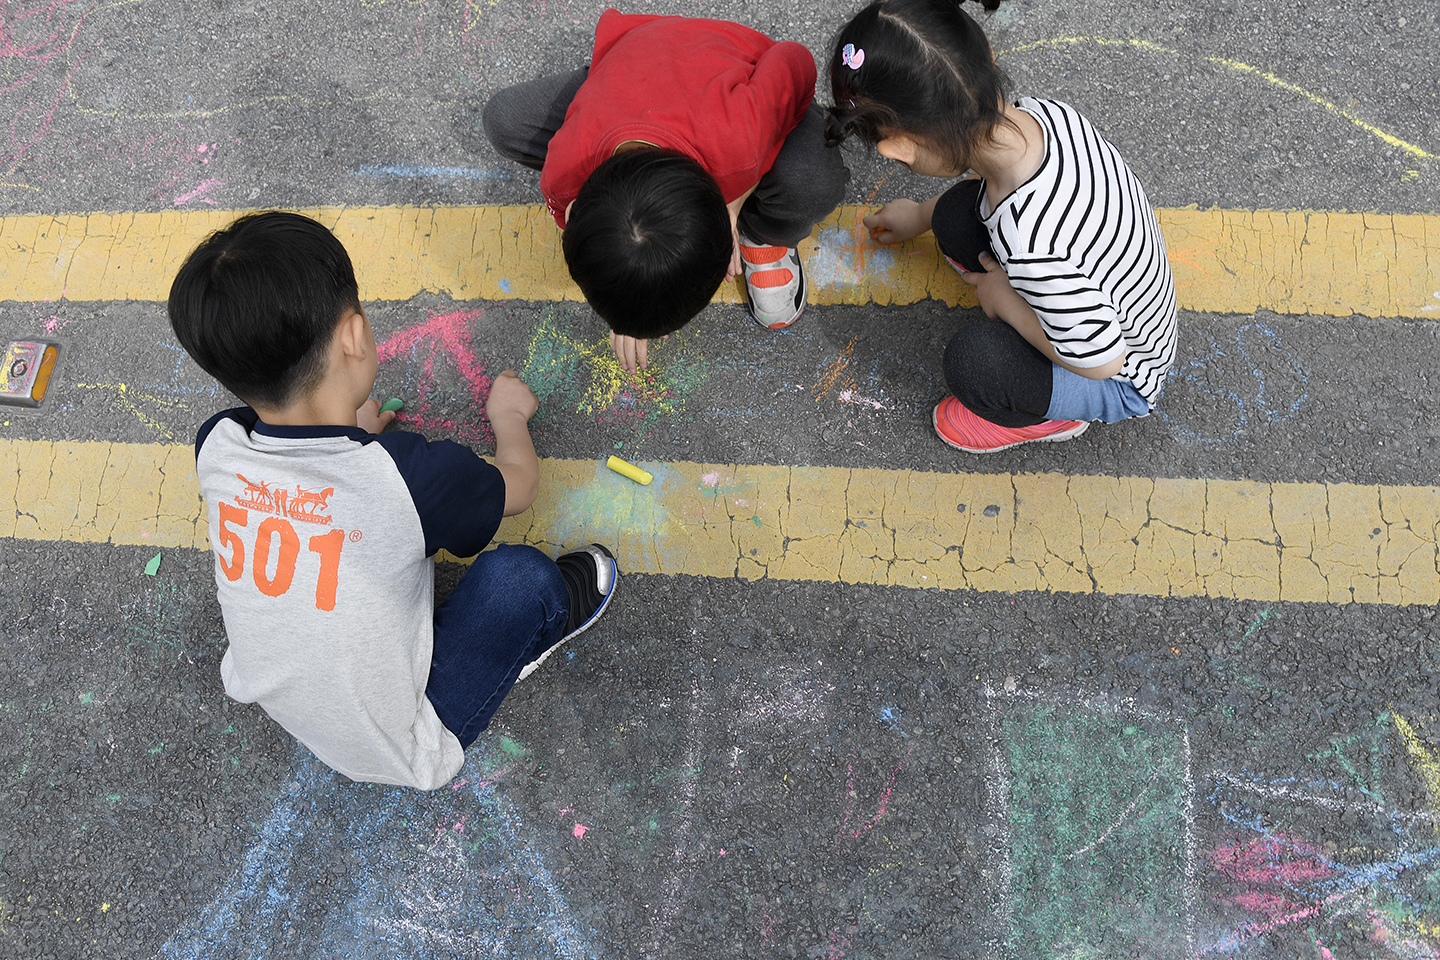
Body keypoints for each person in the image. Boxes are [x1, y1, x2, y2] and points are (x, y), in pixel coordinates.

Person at [168, 211, 618, 790]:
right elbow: (521, 486)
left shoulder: (217, 445)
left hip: (292, 703)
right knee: (521, 579)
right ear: (354, 335)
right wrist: (508, 417)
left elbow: (309, 463)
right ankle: (532, 637)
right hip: (405, 741)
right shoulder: (408, 477)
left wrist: (351, 430)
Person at [826, 0, 1177, 453]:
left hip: (1124, 377)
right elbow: (985, 189)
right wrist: (917, 216)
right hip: (1119, 304)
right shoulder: (1044, 115)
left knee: (974, 362)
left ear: (900, 149)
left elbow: (1102, 361)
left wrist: (1007, 301)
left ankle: (1051, 418)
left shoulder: (1031, 242)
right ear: (986, 54)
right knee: (954, 213)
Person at [482, 9, 851, 372]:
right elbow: (620, 242)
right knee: (504, 121)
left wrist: (738, 199)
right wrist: (630, 300)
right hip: (632, 68)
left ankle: (765, 235)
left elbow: (796, 59)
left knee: (814, 179)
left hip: (728, 65)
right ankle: (606, 81)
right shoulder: (563, 176)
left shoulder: (739, 142)